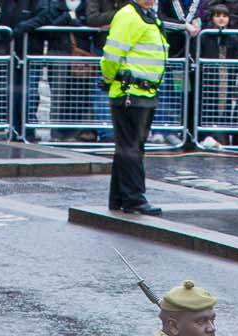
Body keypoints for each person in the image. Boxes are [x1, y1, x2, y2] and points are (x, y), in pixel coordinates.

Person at [100, 0, 166, 214]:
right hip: (130, 92)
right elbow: (112, 54)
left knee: (128, 147)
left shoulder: (146, 16)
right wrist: (109, 77)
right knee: (131, 147)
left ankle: (119, 198)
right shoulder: (129, 15)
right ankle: (134, 199)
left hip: (143, 92)